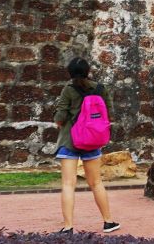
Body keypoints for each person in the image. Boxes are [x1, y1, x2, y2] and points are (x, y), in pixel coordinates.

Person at [53, 57, 120, 235]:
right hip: (92, 140)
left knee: (68, 184)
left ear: (69, 72)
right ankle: (108, 222)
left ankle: (68, 227)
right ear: (88, 71)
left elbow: (60, 117)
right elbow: (110, 115)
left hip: (70, 140)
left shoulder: (68, 90)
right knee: (96, 183)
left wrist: (60, 121)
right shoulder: (100, 88)